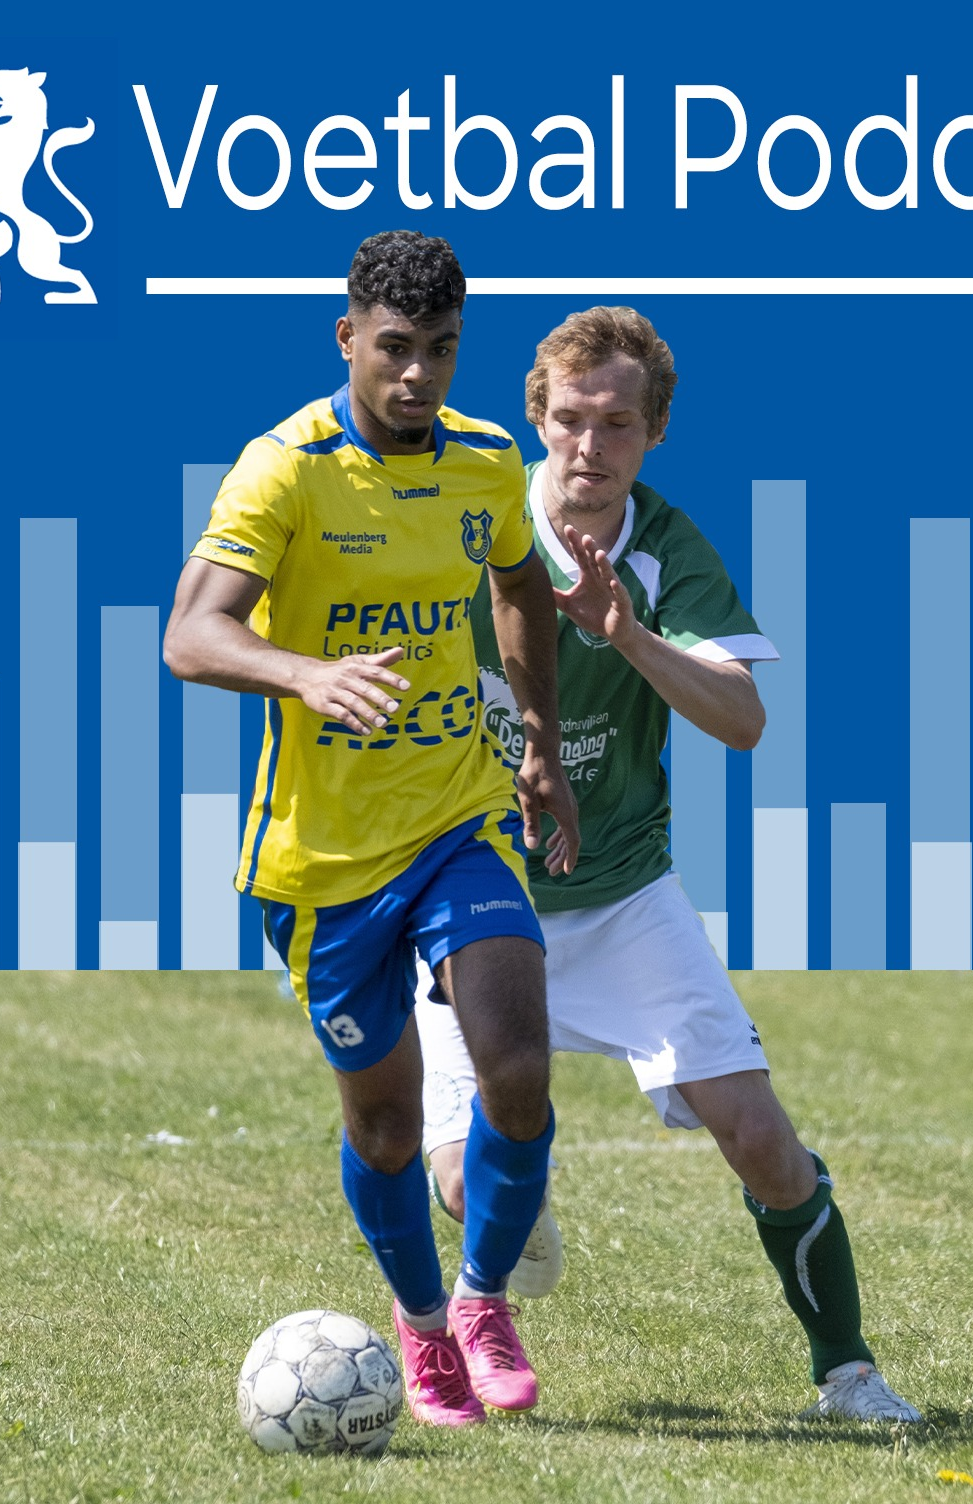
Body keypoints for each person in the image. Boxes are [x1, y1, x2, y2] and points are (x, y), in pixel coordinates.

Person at [414, 305, 922, 1424]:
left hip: (622, 893)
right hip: (474, 891)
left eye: (618, 424)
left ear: (653, 433)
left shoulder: (665, 550)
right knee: (460, 1174)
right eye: (570, 418)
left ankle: (847, 1372)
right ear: (536, 416)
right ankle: (507, 1221)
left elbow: (743, 720)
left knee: (764, 1142)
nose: (590, 446)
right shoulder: (470, 522)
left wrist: (627, 634)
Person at [163, 231, 580, 1428]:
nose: (417, 375)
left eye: (440, 350)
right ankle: (423, 1322)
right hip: (322, 859)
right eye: (394, 348)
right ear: (347, 337)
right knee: (388, 1124)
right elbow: (191, 634)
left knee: (516, 1066)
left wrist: (539, 741)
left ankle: (484, 1299)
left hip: (456, 814)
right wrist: (307, 672)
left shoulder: (487, 462)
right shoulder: (285, 470)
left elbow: (519, 584)